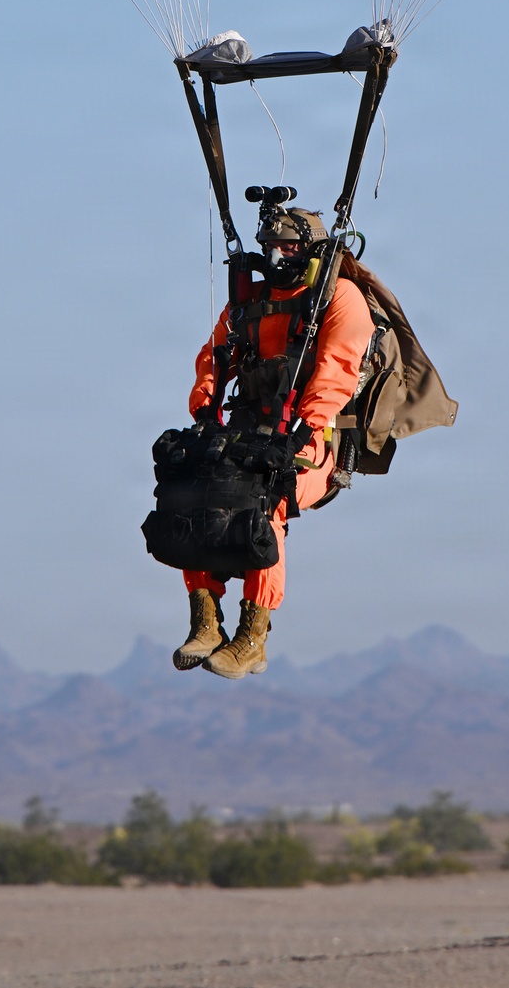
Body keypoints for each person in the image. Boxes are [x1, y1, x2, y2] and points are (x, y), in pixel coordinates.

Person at [173, 206, 375, 679]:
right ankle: (204, 620)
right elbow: (214, 354)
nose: (276, 256)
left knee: (266, 500)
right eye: (270, 247)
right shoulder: (250, 301)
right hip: (246, 434)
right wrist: (204, 408)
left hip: (312, 445)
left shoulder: (339, 298)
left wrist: (300, 434)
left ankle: (253, 636)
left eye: (288, 247)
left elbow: (337, 370)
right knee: (189, 491)